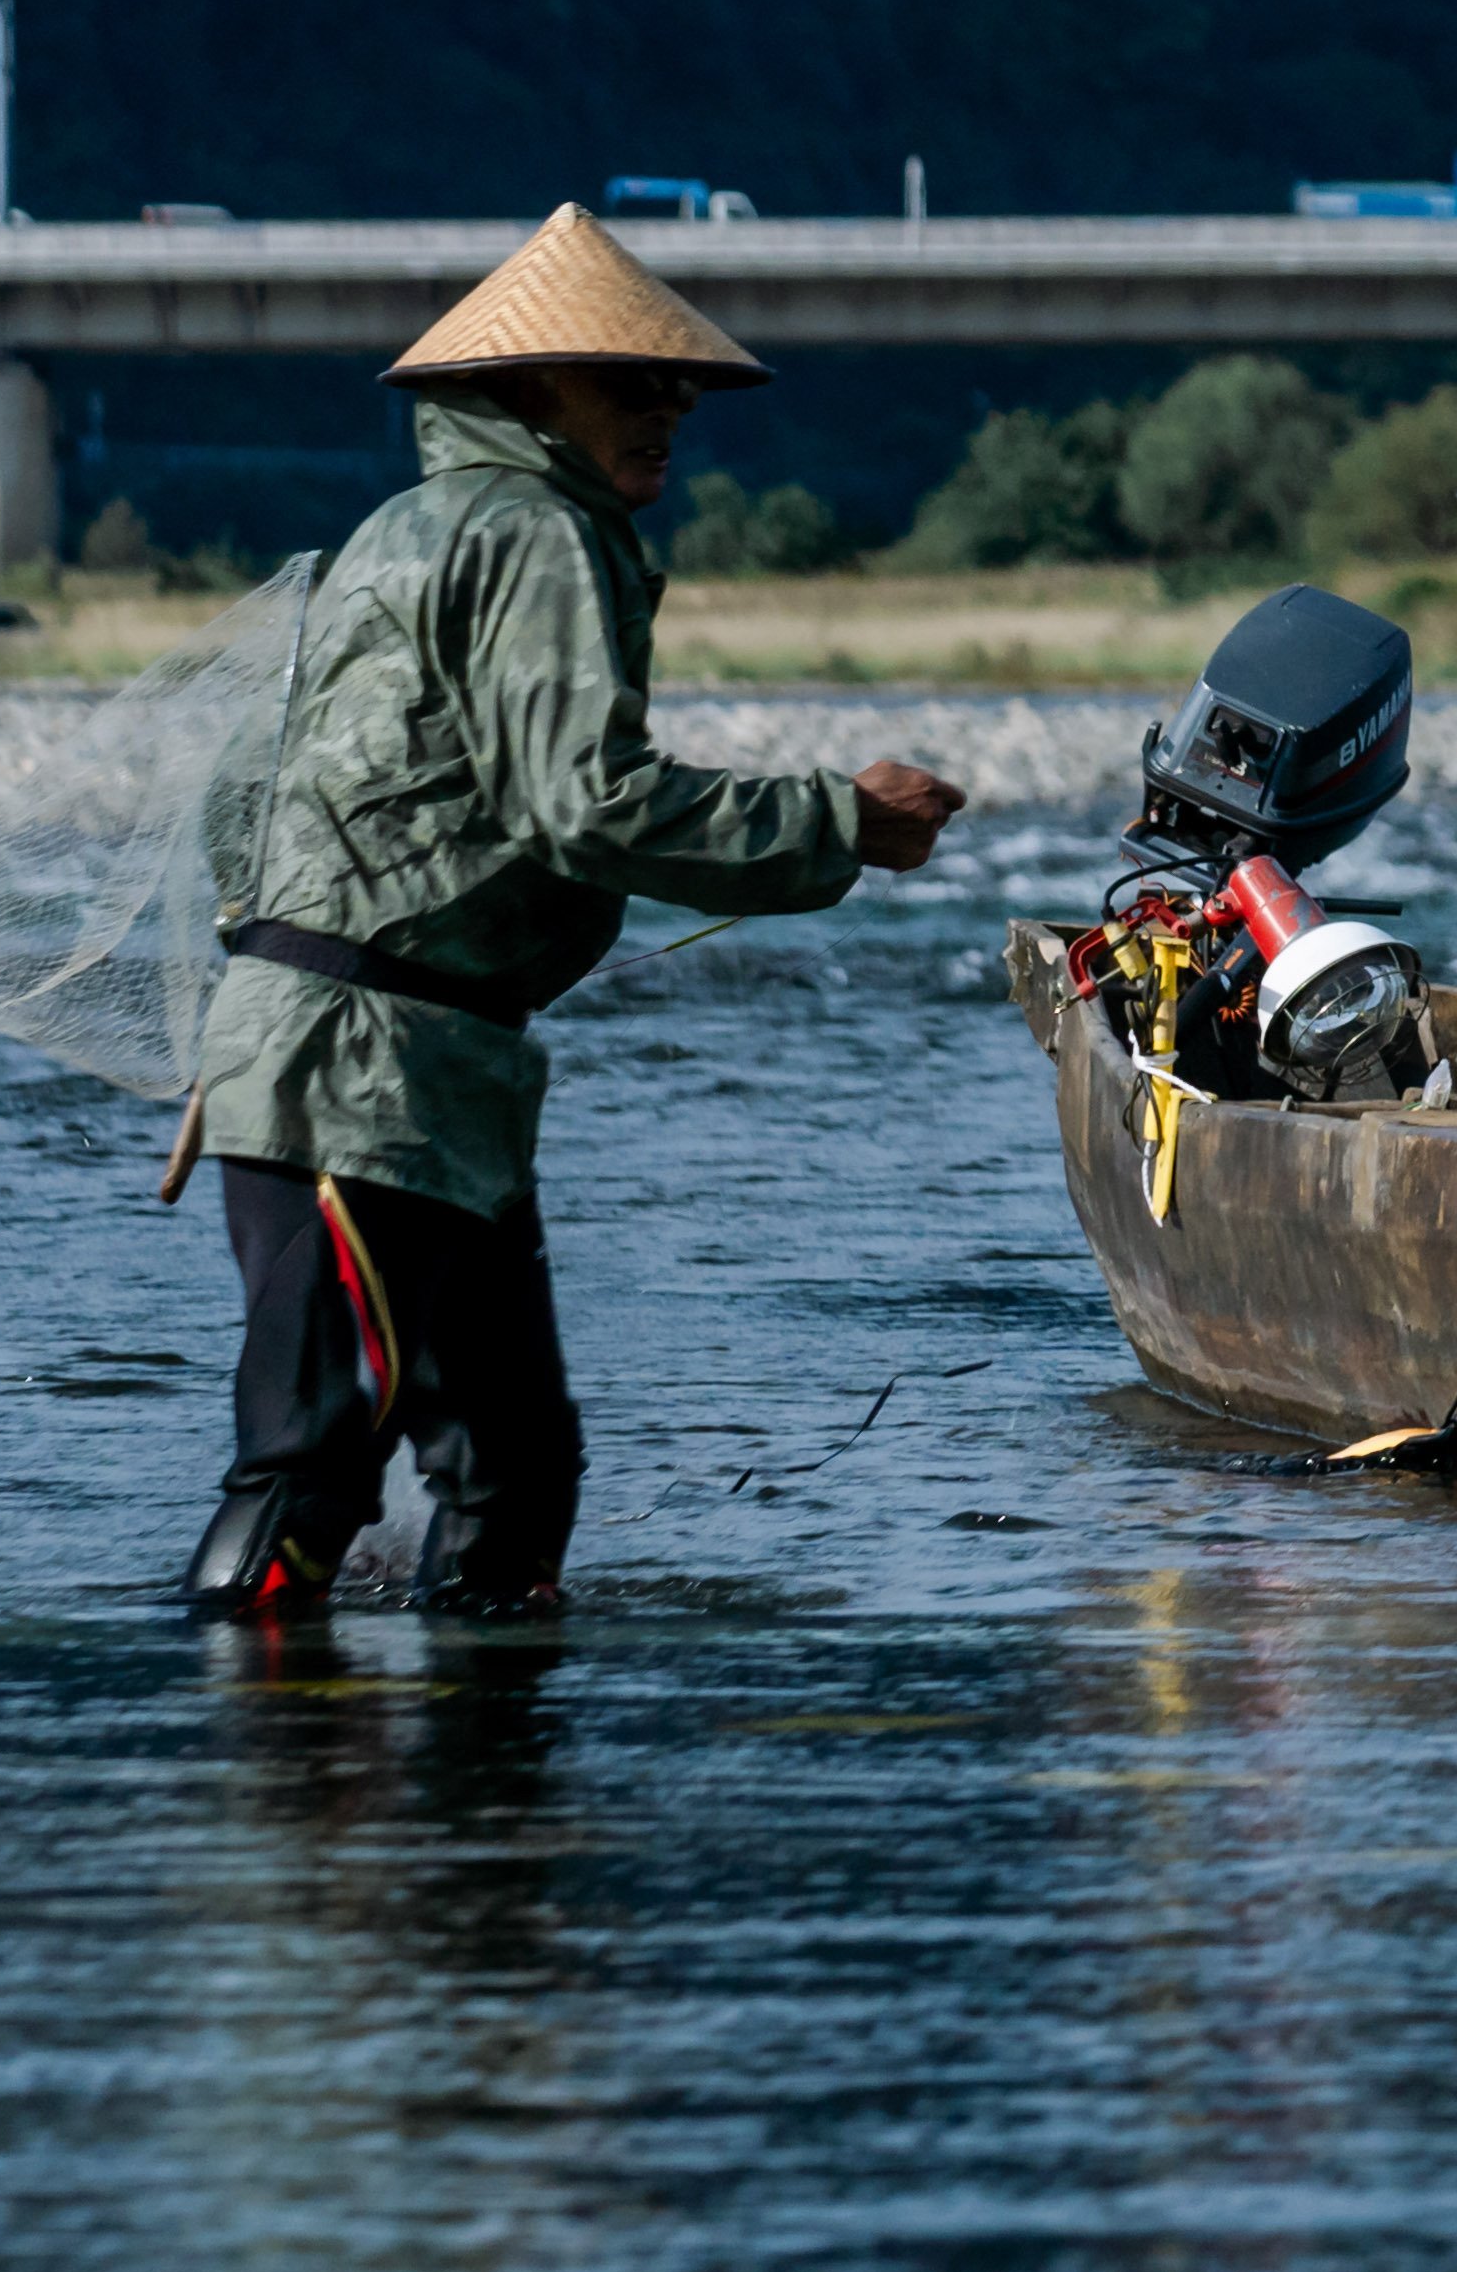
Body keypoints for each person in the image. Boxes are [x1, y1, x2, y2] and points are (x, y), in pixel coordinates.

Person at [172, 202, 963, 1613]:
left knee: (515, 1467)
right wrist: (842, 824)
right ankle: (275, 1805)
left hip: (405, 1079)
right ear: (528, 390)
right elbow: (585, 802)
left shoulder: (404, 526)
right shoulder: (538, 532)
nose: (671, 406)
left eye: (680, 384)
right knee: (319, 1466)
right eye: (634, 379)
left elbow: (253, 792)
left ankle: (471, 1832)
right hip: (364, 1075)